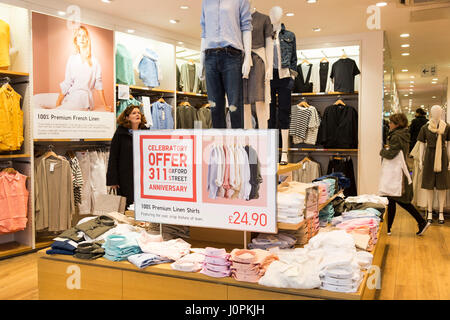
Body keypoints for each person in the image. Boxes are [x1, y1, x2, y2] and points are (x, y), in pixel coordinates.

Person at [380, 113, 430, 236]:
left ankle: (421, 221)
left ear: (397, 124)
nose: (389, 124)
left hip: (396, 173)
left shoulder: (396, 136)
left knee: (400, 200)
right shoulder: (402, 134)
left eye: (391, 122)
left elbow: (392, 153)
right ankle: (388, 229)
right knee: (391, 199)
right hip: (398, 170)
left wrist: (382, 151)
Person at [53, 26, 109, 111]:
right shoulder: (72, 59)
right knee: (38, 98)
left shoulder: (94, 62)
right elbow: (68, 82)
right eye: (79, 35)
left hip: (83, 99)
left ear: (87, 39)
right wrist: (58, 101)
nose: (82, 38)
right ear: (76, 40)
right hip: (71, 96)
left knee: (55, 112)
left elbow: (99, 85)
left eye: (84, 36)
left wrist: (105, 105)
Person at [107, 105, 147, 207]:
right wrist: (113, 180)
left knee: (143, 203)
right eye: (134, 113)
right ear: (127, 117)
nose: (137, 114)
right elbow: (113, 157)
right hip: (125, 177)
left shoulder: (146, 132)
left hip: (143, 175)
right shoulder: (120, 133)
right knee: (127, 205)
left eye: (139, 113)